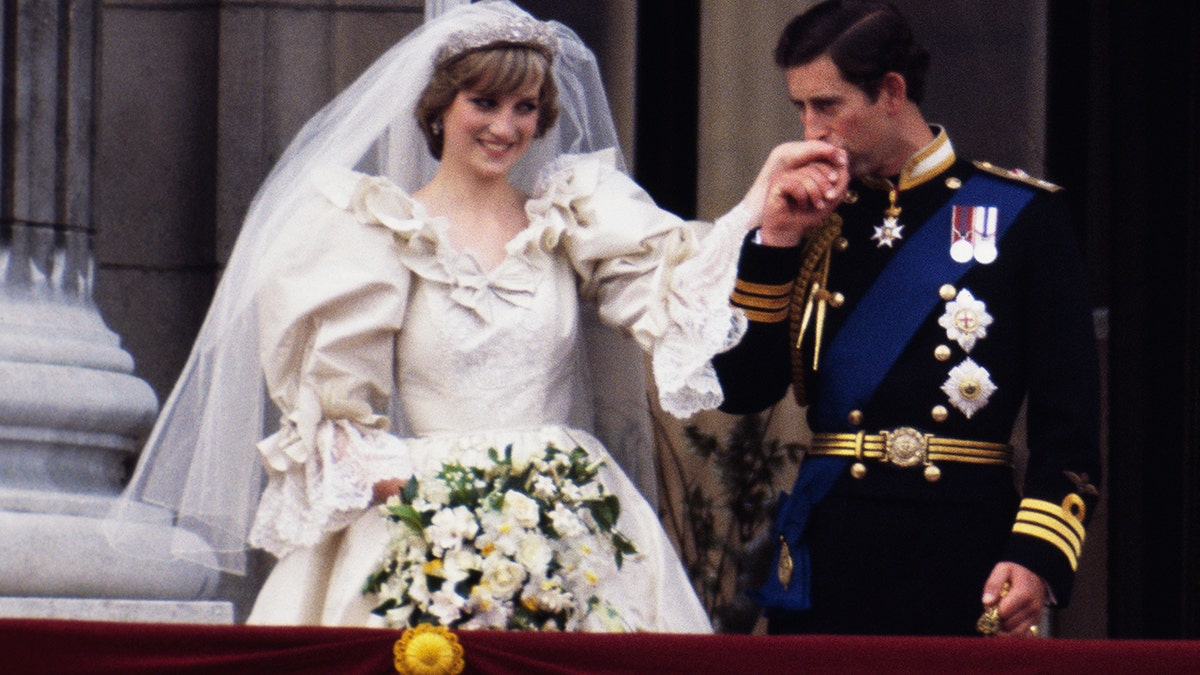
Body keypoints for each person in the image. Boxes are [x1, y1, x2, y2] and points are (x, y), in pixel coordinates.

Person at [106, 1, 841, 631]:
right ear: (439, 109)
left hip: (572, 516)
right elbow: (337, 419)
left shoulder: (571, 216)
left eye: (525, 107)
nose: (506, 126)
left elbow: (677, 288)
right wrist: (447, 507)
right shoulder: (373, 231)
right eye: (484, 103)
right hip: (424, 518)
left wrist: (756, 212)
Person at [712, 0, 1101, 637]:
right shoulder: (807, 219)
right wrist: (774, 244)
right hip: (831, 550)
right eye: (801, 109)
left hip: (962, 550)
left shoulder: (1023, 217)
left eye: (828, 106)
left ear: (892, 92)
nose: (811, 131)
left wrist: (1036, 555)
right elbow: (741, 391)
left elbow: (1071, 426)